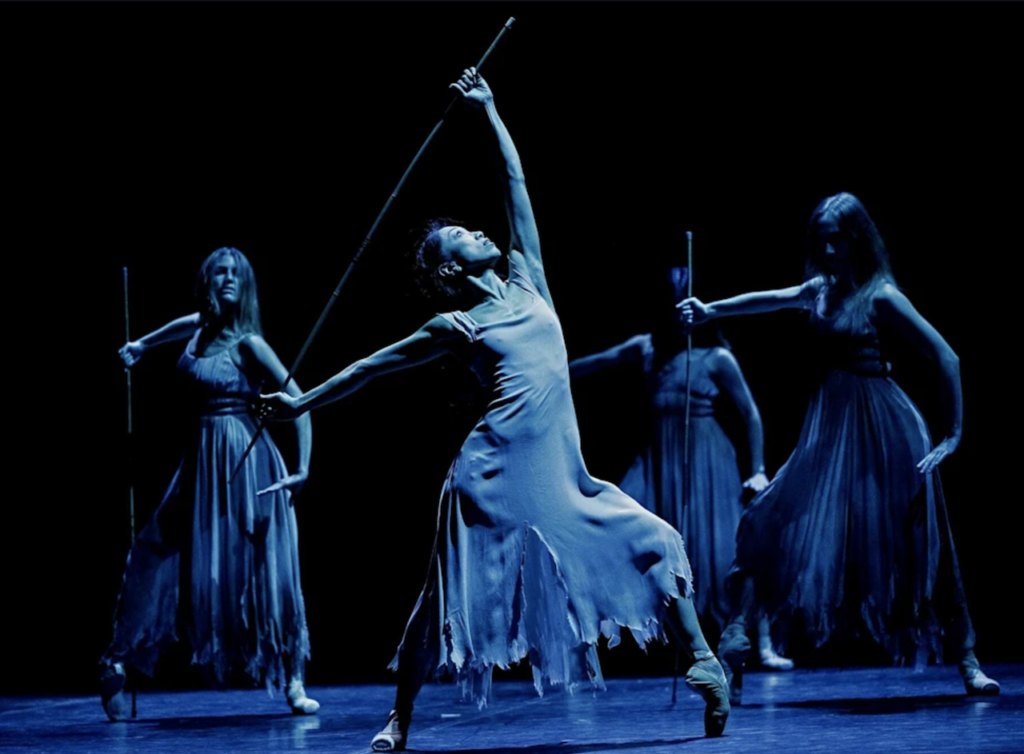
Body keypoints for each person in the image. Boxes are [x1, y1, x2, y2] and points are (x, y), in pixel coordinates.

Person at [259, 69, 730, 751]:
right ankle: (400, 718)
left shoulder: (526, 277)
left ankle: (700, 659)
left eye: (473, 228)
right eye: (462, 235)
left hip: (561, 476)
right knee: (438, 603)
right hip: (488, 477)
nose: (478, 232)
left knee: (652, 537)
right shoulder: (459, 325)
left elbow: (516, 188)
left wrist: (489, 110)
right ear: (449, 269)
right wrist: (301, 398)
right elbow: (371, 366)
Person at [679, 192, 999, 703]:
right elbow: (770, 299)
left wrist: (954, 434)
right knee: (768, 520)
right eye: (820, 243)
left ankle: (967, 660)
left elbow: (947, 357)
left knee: (922, 541)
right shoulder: (820, 290)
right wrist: (711, 307)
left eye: (836, 242)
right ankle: (735, 647)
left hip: (889, 431)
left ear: (856, 241)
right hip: (829, 432)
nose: (827, 252)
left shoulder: (881, 295)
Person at [101, 247, 319, 720]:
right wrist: (140, 345)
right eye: (219, 272)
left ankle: (293, 678)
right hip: (201, 461)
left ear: (246, 287)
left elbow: (300, 398)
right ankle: (118, 660)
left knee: (269, 568)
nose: (227, 279)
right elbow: (176, 329)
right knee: (151, 547)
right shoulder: (198, 330)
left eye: (236, 274)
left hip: (248, 461)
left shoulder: (249, 344)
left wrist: (302, 467)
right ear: (206, 280)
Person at [569, 271, 793, 670]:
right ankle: (585, 640)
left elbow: (751, 414)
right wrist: (546, 370)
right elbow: (595, 363)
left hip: (708, 460)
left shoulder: (717, 358)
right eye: (672, 306)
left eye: (685, 305)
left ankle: (761, 642)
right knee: (616, 535)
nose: (679, 315)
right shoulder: (647, 348)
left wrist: (757, 469)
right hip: (658, 458)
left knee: (727, 551)